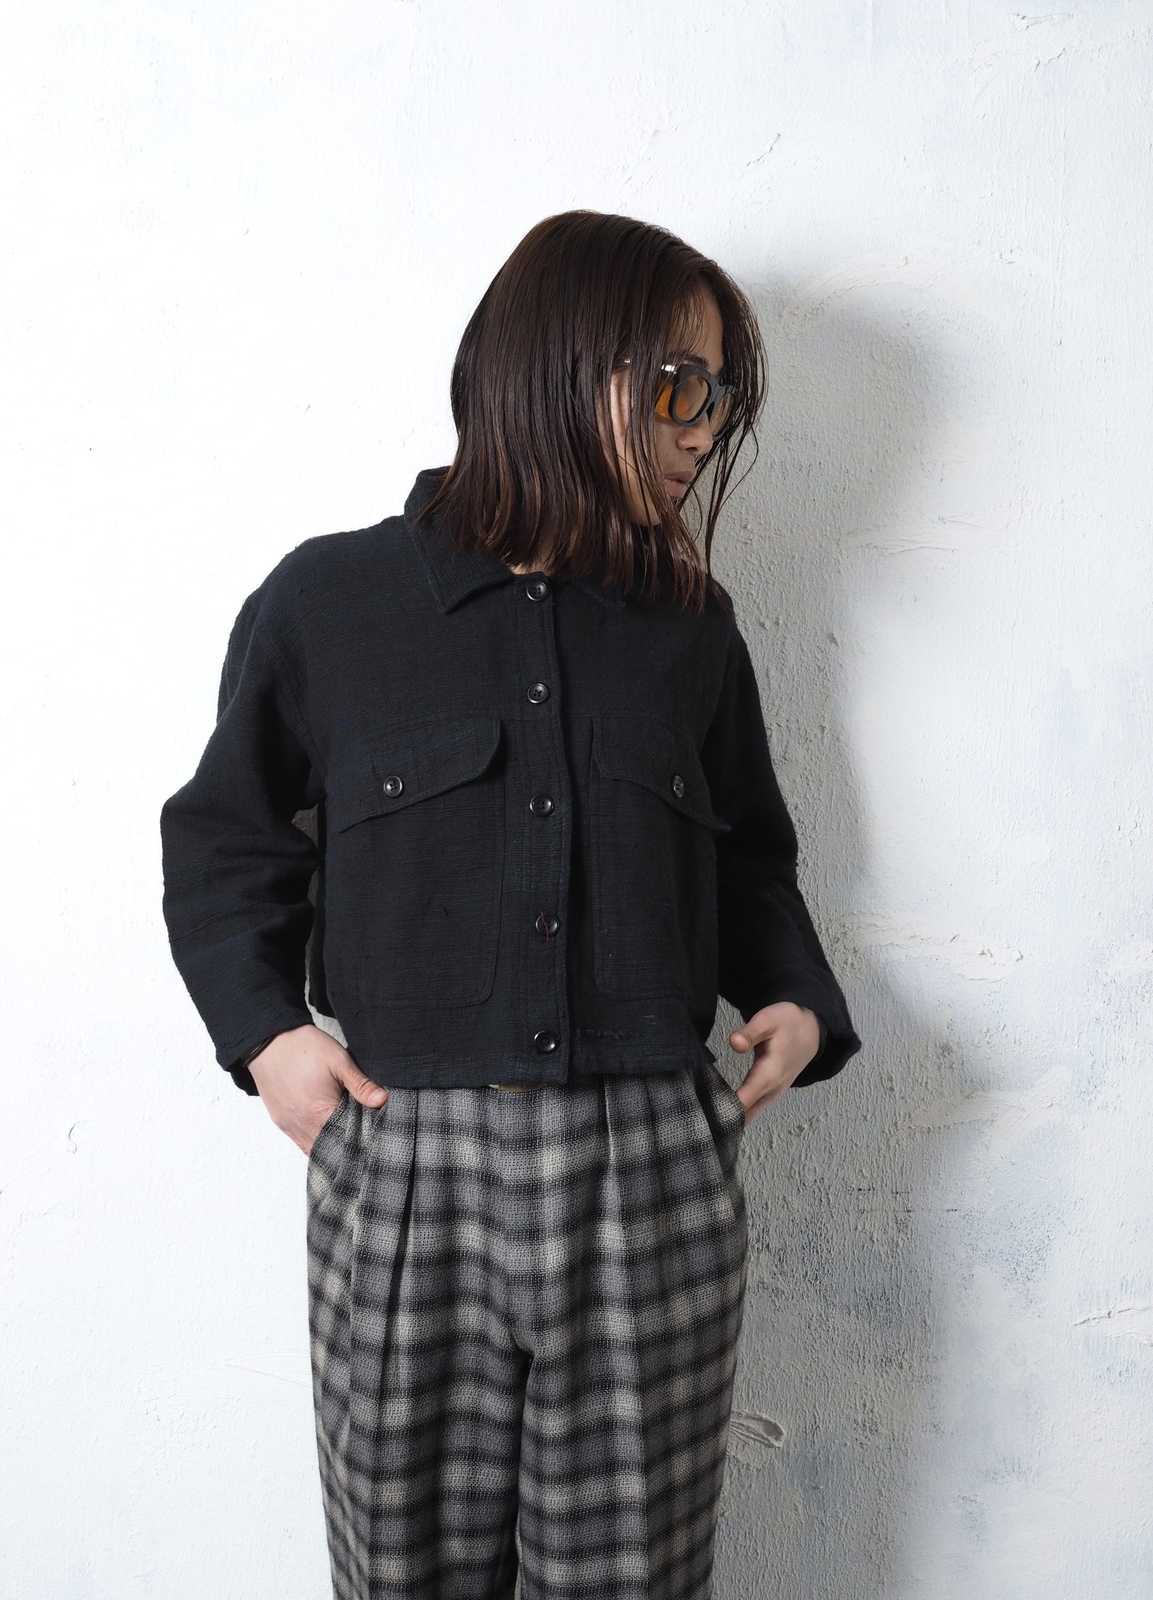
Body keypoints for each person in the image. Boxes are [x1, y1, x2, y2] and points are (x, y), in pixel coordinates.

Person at [160, 209, 862, 1600]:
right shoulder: (329, 605)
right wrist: (268, 1036)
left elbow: (746, 856)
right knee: (403, 1571)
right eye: (678, 386)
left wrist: (794, 992)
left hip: (648, 1170)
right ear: (560, 365)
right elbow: (227, 839)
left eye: (718, 399)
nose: (703, 431)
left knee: (634, 1576)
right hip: (406, 1166)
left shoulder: (691, 629)